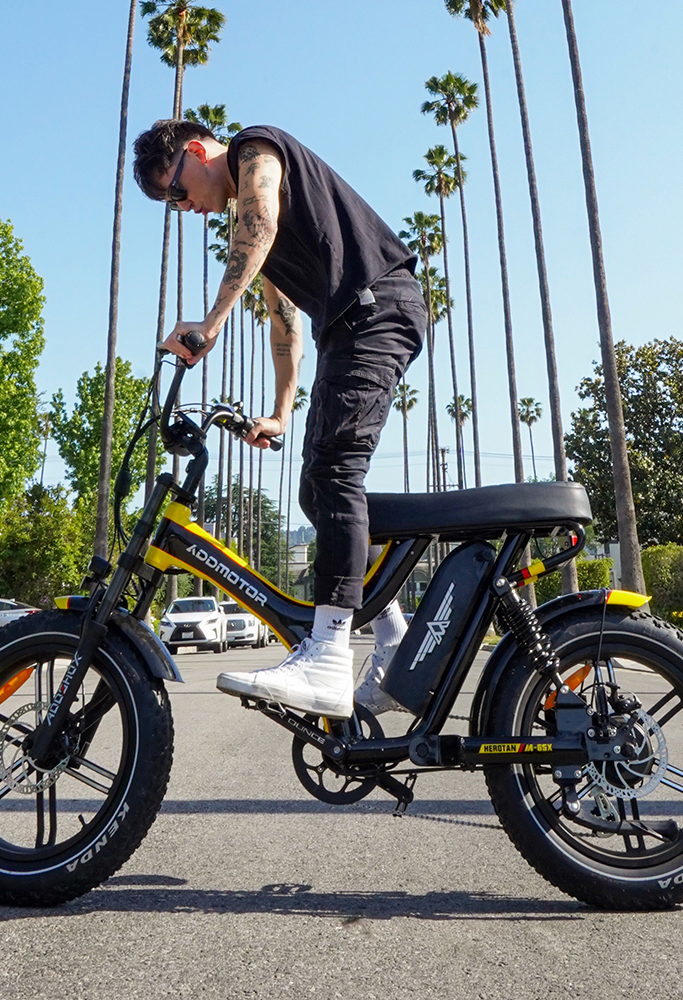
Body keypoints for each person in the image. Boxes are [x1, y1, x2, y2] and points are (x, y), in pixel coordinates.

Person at [136, 118, 424, 720]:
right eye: (171, 203)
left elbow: (260, 220)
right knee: (317, 490)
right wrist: (281, 410)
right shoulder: (257, 226)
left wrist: (211, 323)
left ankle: (327, 654)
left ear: (196, 151)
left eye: (176, 190)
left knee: (336, 472)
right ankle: (395, 642)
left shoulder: (254, 150)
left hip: (377, 310)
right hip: (349, 328)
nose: (182, 207)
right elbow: (284, 321)